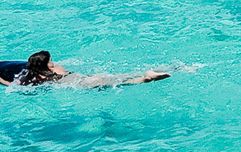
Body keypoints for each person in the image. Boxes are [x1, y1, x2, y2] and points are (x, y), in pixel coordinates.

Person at [0, 51, 167, 89]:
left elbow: (13, 86)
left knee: (117, 84)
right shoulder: (56, 68)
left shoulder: (38, 78)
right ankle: (146, 75)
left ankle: (145, 79)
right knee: (118, 78)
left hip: (80, 85)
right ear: (48, 64)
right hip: (83, 78)